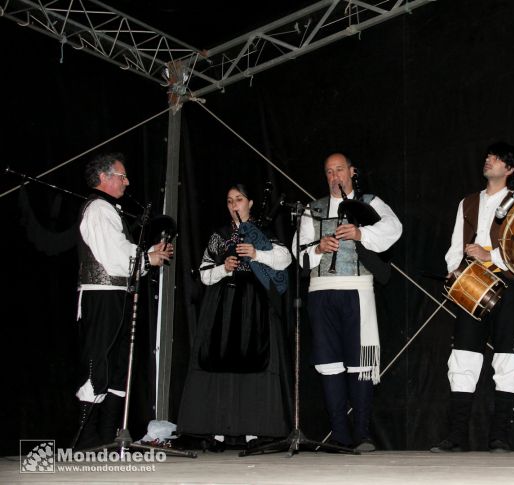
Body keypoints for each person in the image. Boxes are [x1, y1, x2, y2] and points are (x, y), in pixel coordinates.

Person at [292, 153, 402, 452]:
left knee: (361, 363)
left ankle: (363, 434)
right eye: (329, 171)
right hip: (321, 291)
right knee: (329, 363)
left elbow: (394, 229)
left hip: (357, 288)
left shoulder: (370, 202)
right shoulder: (312, 210)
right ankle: (340, 435)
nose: (334, 176)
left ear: (352, 172)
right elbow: (297, 253)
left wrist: (360, 232)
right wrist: (318, 248)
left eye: (339, 170)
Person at [176, 184, 293, 449]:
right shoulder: (220, 235)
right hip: (223, 304)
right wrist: (224, 268)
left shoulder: (262, 231)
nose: (234, 205)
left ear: (250, 203)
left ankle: (255, 429)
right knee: (219, 361)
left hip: (255, 303)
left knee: (254, 361)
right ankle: (216, 429)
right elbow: (204, 274)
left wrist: (256, 253)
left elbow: (285, 258)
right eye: (229, 201)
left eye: (239, 199)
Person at [431, 142, 514, 453]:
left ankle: (500, 437)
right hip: (471, 282)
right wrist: (455, 270)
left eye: (497, 158)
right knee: (463, 355)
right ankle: (456, 436)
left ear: (510, 169)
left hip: (507, 282)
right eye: (488, 156)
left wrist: (491, 255)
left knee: (506, 357)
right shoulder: (468, 202)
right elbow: (454, 245)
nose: (489, 160)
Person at [75, 153, 173, 449]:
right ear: (104, 177)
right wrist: (147, 258)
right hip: (101, 296)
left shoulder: (109, 210)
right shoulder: (99, 209)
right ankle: (86, 439)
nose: (127, 182)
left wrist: (148, 254)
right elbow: (115, 257)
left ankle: (107, 436)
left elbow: (123, 250)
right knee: (99, 364)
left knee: (118, 366)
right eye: (122, 176)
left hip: (117, 294)